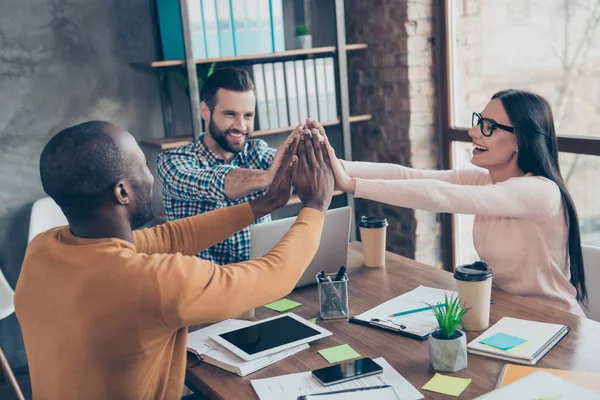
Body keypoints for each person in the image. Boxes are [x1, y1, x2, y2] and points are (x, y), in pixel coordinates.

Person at [15, 120, 334, 399]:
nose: (151, 177)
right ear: (122, 193)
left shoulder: (43, 248)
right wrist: (316, 206)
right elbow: (274, 276)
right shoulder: (150, 280)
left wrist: (262, 205)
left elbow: (167, 238)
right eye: (142, 166)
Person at [323, 90, 587, 317]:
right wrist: (336, 167)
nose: (473, 132)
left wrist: (351, 185)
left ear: (520, 140)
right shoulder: (486, 181)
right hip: (507, 313)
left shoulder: (540, 192)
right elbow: (411, 176)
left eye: (488, 127)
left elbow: (440, 195)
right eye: (479, 121)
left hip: (554, 324)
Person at [157, 67, 292, 264]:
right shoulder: (172, 162)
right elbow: (217, 182)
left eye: (248, 115)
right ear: (205, 111)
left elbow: (310, 170)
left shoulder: (257, 152)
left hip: (257, 283)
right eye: (230, 114)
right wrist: (268, 177)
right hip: (201, 289)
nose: (241, 126)